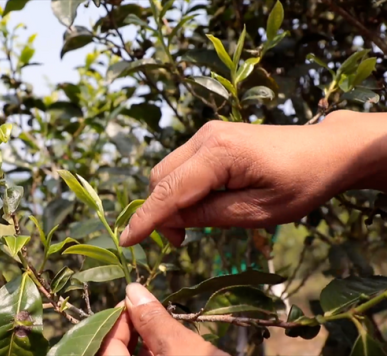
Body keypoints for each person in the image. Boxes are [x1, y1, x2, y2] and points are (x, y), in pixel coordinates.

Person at [100, 110, 387, 355]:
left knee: (245, 330)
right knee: (237, 331)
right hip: (232, 285)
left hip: (241, 286)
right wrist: (340, 141)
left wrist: (337, 145)